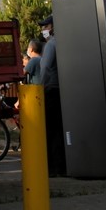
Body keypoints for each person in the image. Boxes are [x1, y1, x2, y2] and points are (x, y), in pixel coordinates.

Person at [39, 15, 67, 175]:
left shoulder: (51, 44)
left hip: (51, 91)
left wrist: (39, 88)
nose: (43, 30)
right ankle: (62, 165)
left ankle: (53, 167)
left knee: (51, 130)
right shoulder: (65, 42)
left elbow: (45, 68)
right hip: (63, 90)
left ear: (54, 27)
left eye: (45, 26)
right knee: (60, 129)